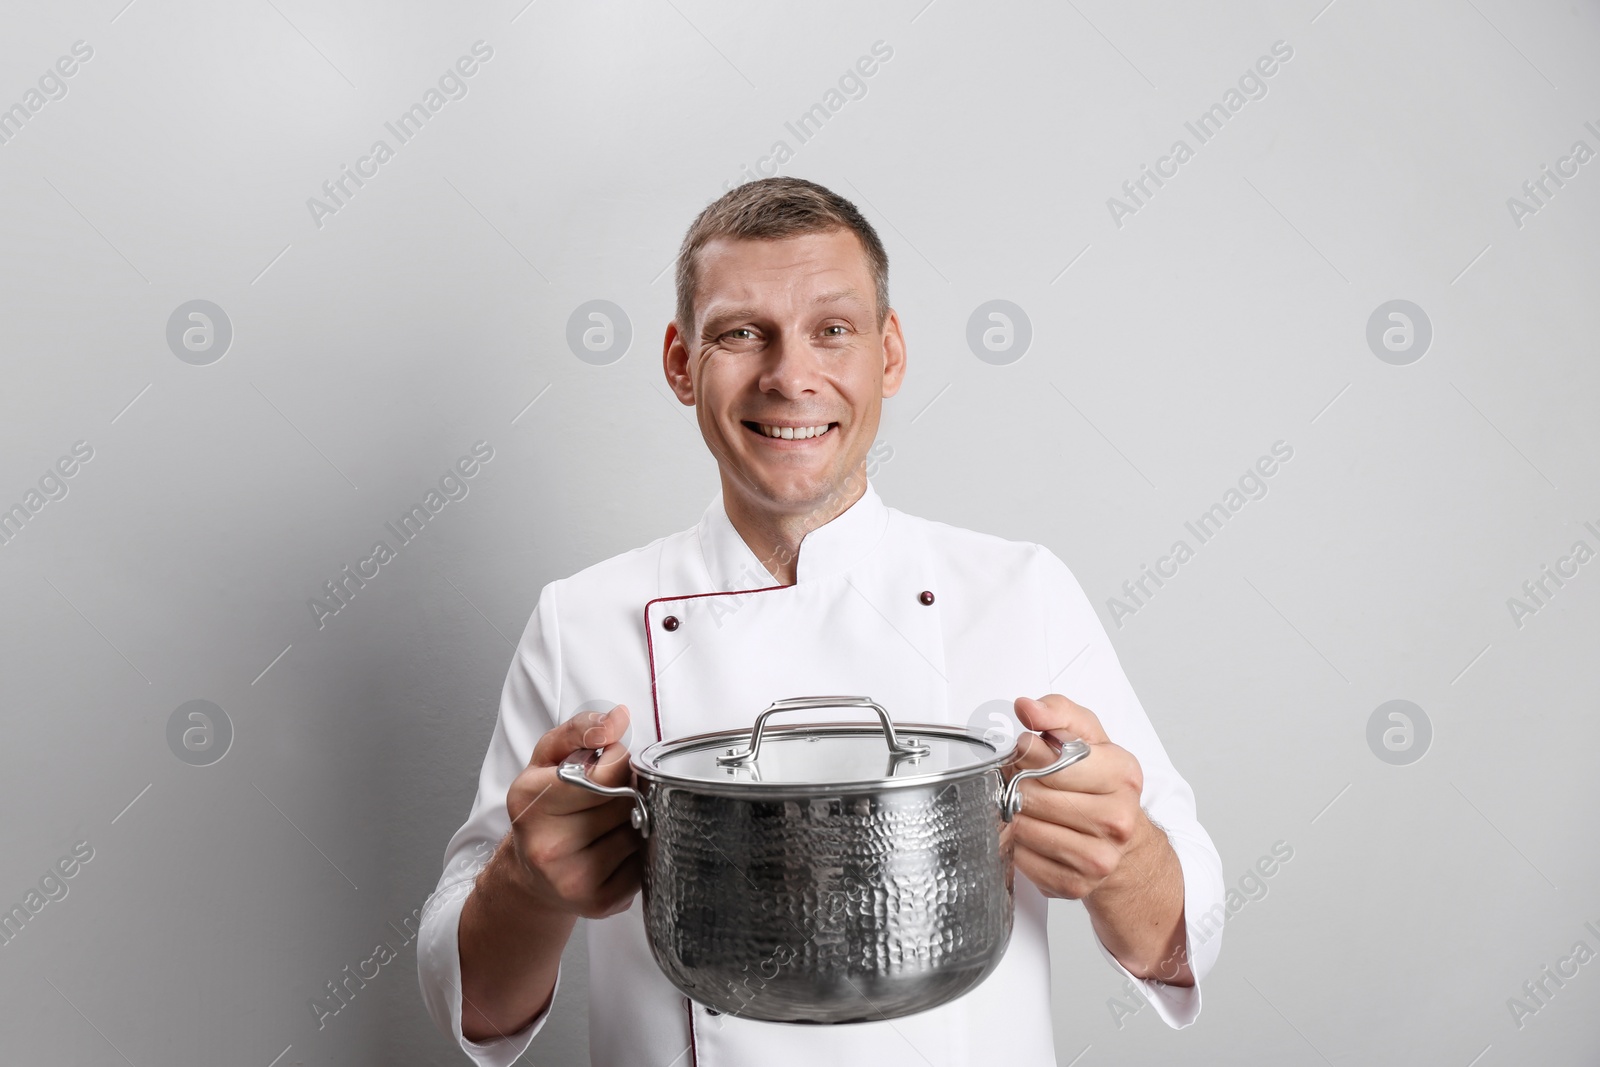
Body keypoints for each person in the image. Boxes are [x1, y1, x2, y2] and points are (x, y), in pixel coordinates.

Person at [418, 177, 1224, 1066]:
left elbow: (1179, 947)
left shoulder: (1021, 589)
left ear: (890, 355)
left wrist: (1127, 856)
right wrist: (528, 888)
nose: (790, 375)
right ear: (682, 363)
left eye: (832, 330)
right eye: (740, 332)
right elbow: (479, 1007)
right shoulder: (583, 617)